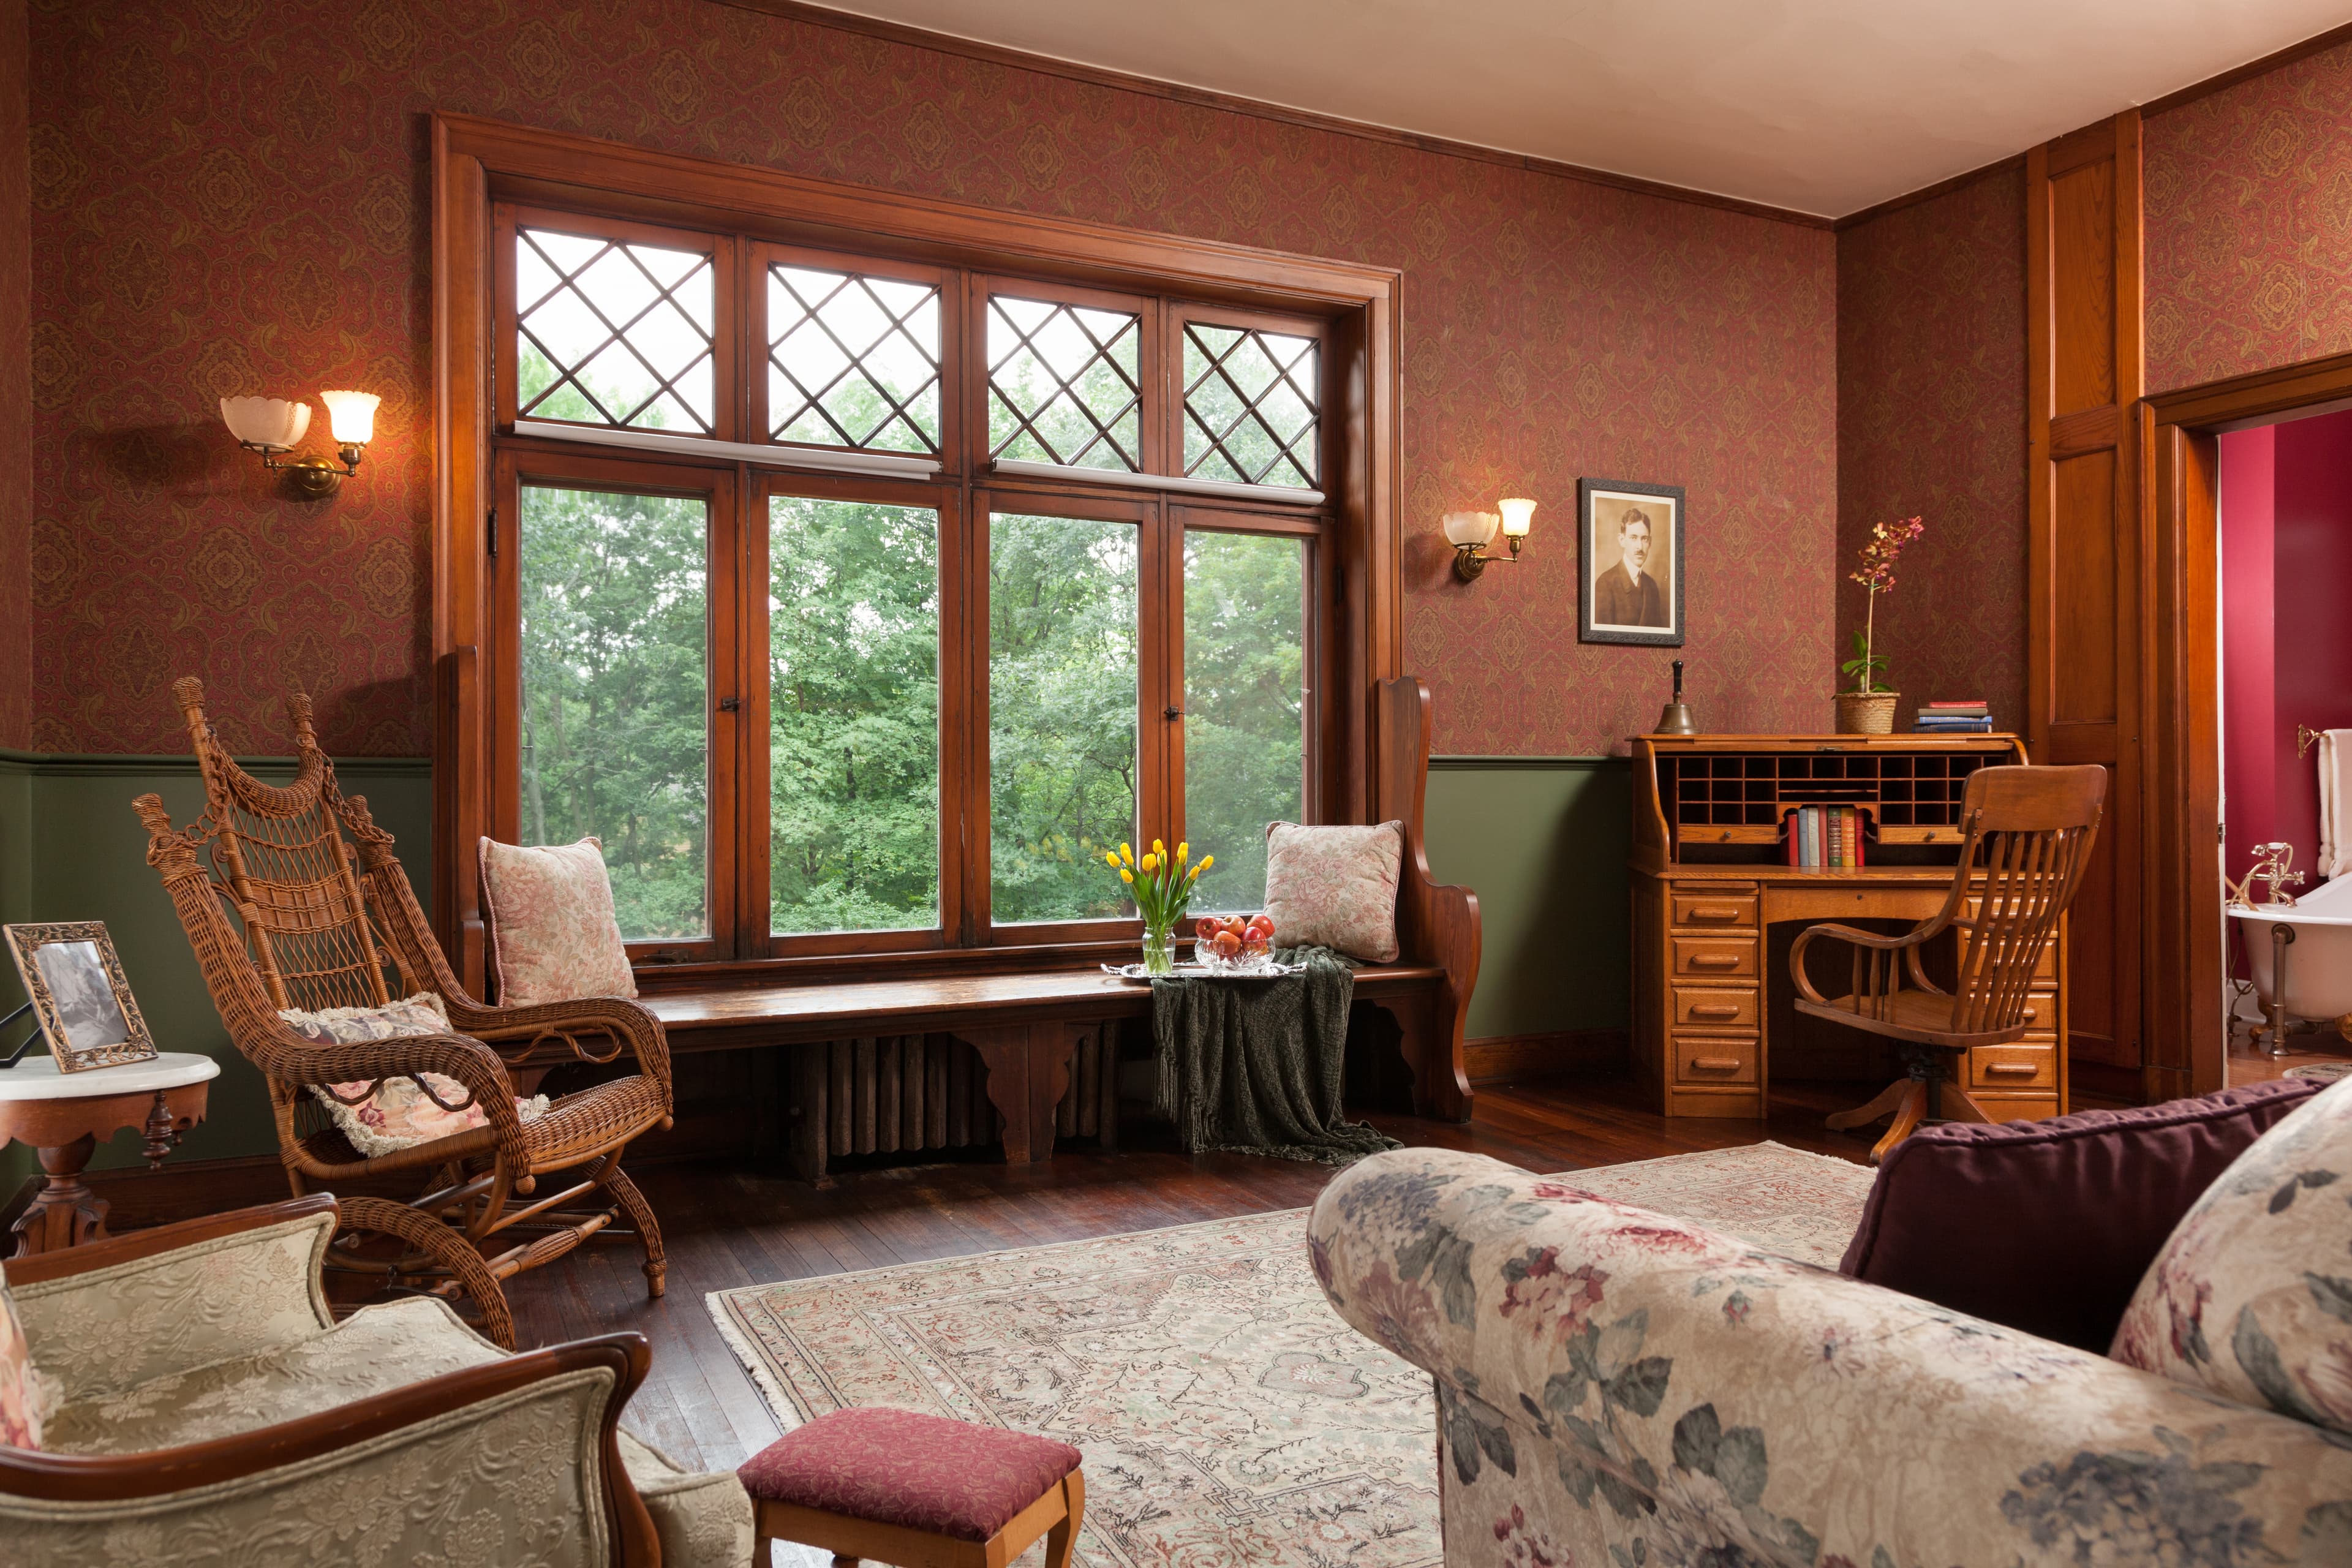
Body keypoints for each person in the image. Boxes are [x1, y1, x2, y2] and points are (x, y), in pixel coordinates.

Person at [1594, 507, 1668, 627]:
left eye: (1644, 539)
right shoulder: (1605, 584)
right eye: (1633, 538)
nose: (1639, 547)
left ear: (1650, 542)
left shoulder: (1652, 586)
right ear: (1622, 540)